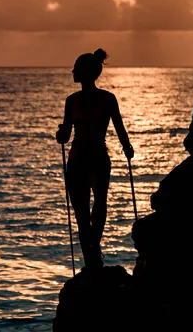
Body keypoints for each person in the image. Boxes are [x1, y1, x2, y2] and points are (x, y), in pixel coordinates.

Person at [56, 48, 134, 270]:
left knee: (96, 207)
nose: (72, 71)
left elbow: (119, 126)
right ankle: (91, 257)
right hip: (80, 159)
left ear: (85, 72)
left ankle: (93, 250)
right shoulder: (72, 101)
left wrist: (126, 146)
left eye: (76, 68)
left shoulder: (106, 99)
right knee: (83, 211)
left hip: (94, 159)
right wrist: (61, 135)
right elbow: (67, 132)